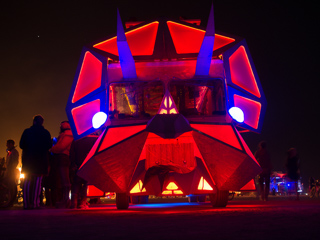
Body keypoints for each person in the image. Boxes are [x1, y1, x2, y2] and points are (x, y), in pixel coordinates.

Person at [20, 115, 52, 209]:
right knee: (38, 183)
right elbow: (49, 146)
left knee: (27, 182)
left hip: (28, 160)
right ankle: (35, 203)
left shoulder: (27, 132)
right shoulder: (46, 133)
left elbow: (22, 144)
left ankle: (26, 203)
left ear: (33, 121)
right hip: (41, 161)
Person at [70, 132, 98, 209]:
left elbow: (72, 152)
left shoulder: (77, 139)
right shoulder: (95, 139)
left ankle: (73, 202)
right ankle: (82, 202)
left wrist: (73, 163)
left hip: (78, 163)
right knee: (86, 183)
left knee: (76, 183)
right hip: (89, 164)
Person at [50, 121, 73, 208]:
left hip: (63, 158)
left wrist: (52, 149)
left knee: (65, 179)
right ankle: (65, 199)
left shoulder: (67, 135)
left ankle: (66, 199)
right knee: (64, 180)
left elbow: (61, 146)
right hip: (63, 158)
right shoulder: (67, 135)